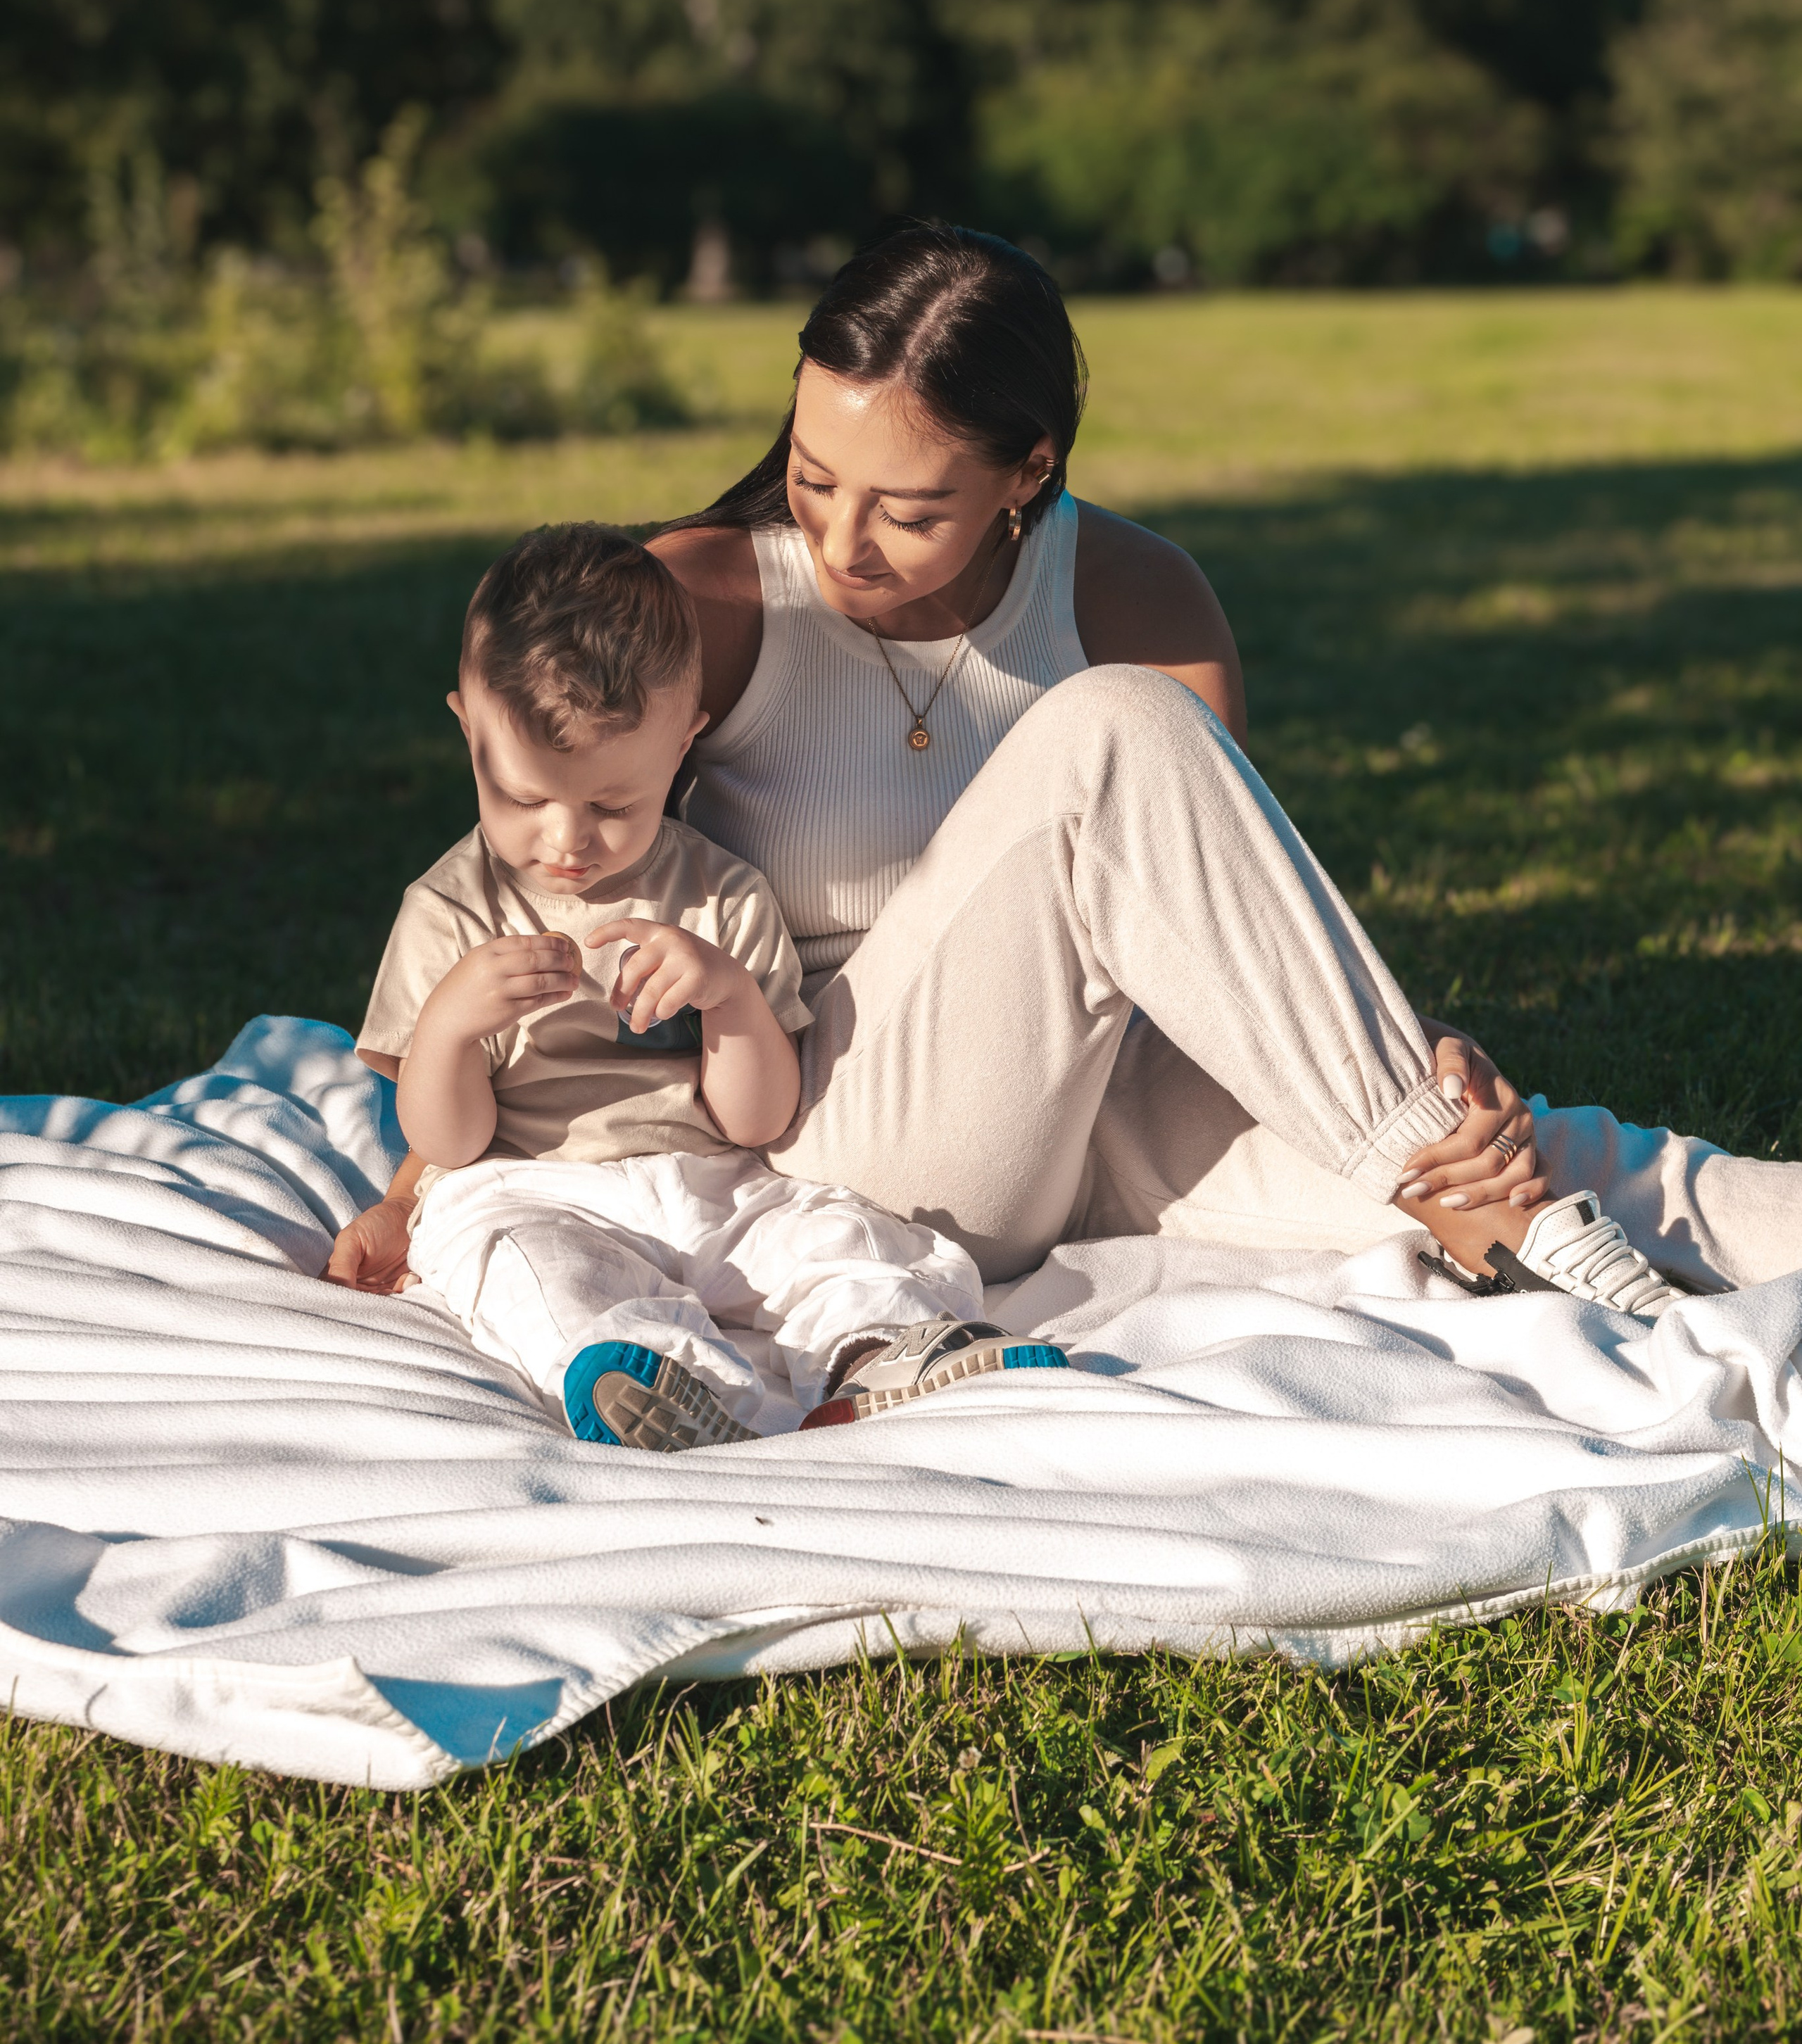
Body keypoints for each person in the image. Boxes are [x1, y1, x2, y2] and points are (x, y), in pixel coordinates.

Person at [331, 226, 1798, 1316]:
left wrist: (1407, 1039)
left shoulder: (1142, 598)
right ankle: (1437, 1167)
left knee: (1544, 1157)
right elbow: (550, 871)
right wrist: (428, 1177)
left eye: (905, 509)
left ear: (1026, 470)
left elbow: (1211, 912)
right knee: (1105, 732)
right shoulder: (702, 601)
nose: (840, 543)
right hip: (845, 1125)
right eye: (812, 475)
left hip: (1103, 1102)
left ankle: (1509, 1193)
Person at [353, 522, 1070, 1449]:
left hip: (708, 1181)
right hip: (526, 1182)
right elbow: (448, 1140)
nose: (568, 841)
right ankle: (657, 1378)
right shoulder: (452, 910)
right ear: (469, 727)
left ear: (684, 741)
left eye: (615, 806)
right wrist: (448, 1031)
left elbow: (758, 1120)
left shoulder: (720, 893)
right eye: (526, 799)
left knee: (832, 1233)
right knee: (516, 1265)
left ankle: (884, 1347)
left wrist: (727, 996)